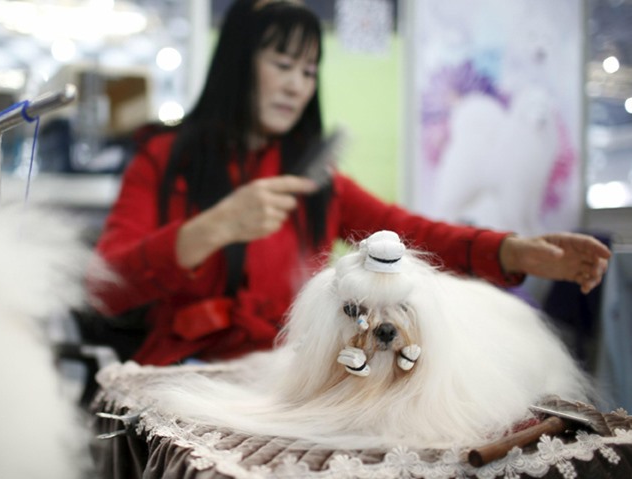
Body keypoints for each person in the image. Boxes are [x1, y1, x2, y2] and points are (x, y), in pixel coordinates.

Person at [86, 0, 611, 367]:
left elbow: (410, 235)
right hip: (186, 370)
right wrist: (211, 228)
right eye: (283, 63)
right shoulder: (163, 159)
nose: (297, 84)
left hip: (288, 373)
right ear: (237, 65)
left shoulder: (317, 182)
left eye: (309, 70)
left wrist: (516, 252)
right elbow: (105, 287)